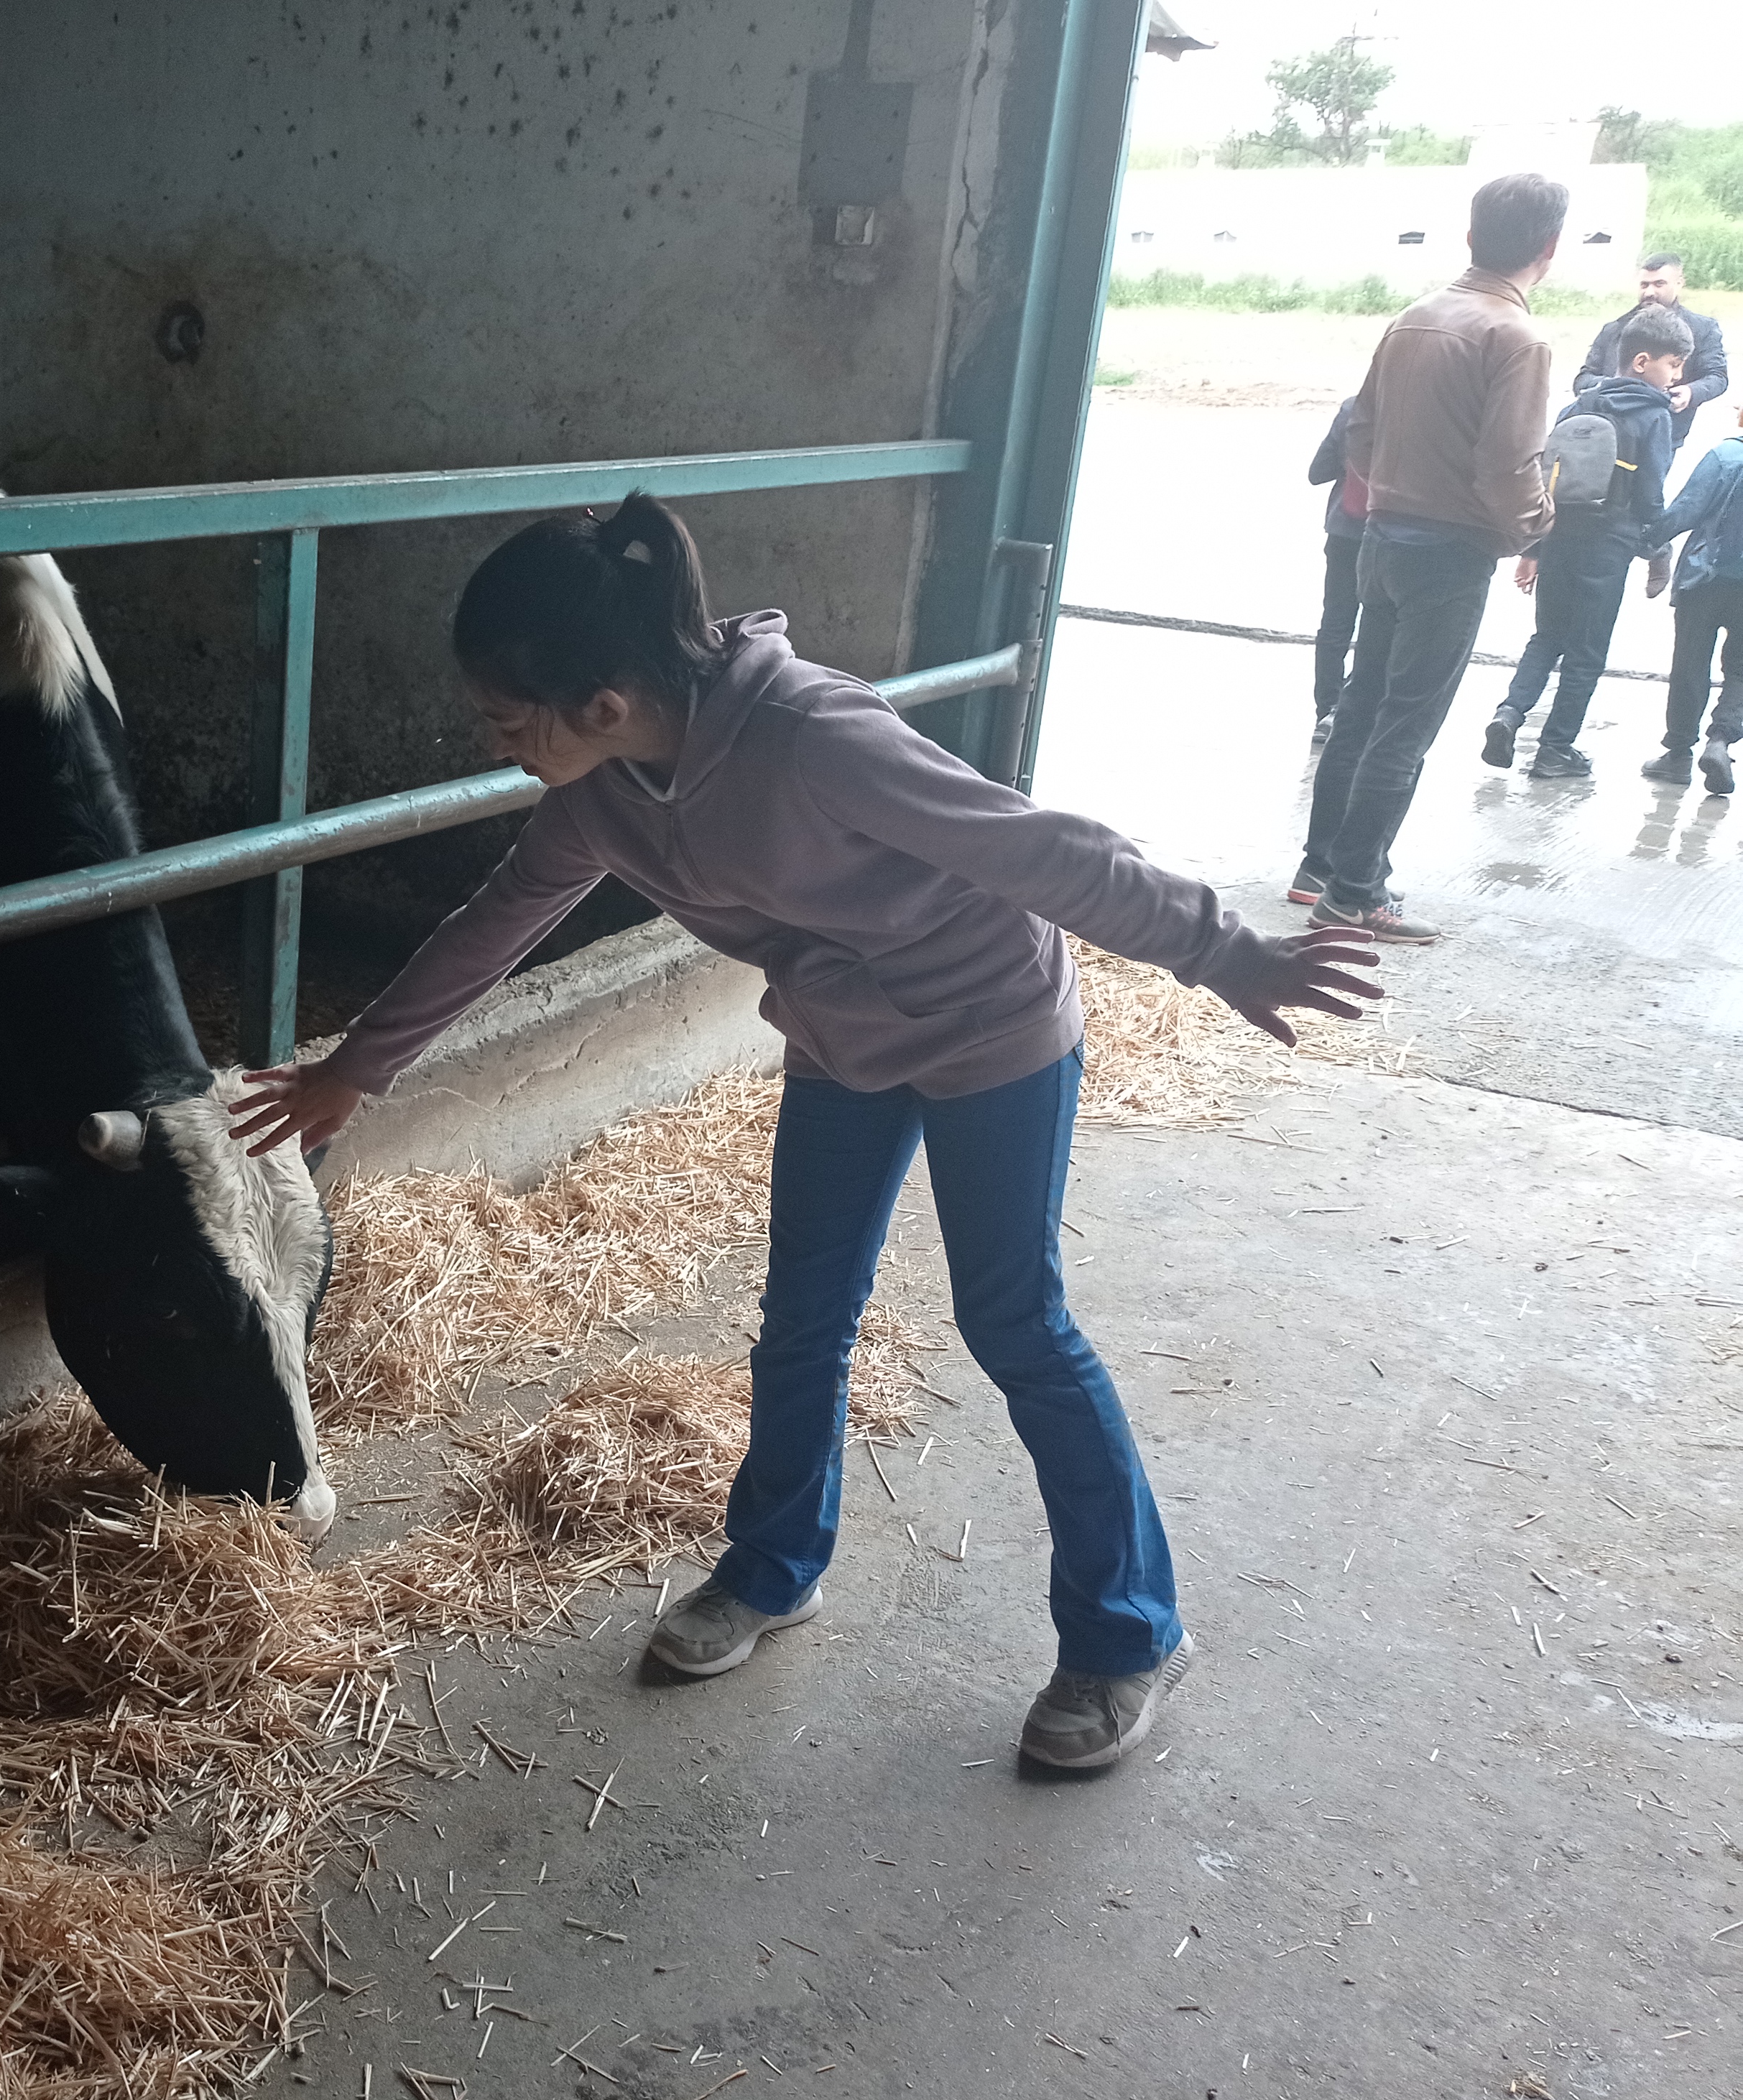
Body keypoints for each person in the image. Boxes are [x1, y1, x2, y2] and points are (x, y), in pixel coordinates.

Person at [231, 494, 1383, 1772]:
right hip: (844, 1040)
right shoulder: (604, 794)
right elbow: (495, 921)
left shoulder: (811, 737)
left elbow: (1033, 847)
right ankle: (774, 1567)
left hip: (991, 1024)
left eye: (511, 721)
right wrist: (358, 1070)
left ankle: (1126, 1633)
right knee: (802, 1315)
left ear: (603, 702)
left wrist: (1222, 950)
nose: (498, 745)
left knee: (1017, 1323)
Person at [1291, 172, 1567, 945]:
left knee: (1360, 708)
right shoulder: (1517, 338)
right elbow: (1510, 464)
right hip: (1449, 554)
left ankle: (1321, 866)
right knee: (1404, 727)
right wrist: (1533, 528)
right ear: (1549, 249)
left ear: (1472, 237)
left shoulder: (1414, 317)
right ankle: (1354, 895)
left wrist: (1390, 494)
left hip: (1379, 539)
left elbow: (1361, 429)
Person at [1487, 305, 1691, 778]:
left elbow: (1545, 479)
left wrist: (1533, 549)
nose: (1676, 375)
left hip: (1559, 538)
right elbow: (1651, 493)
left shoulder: (1578, 406)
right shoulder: (1653, 418)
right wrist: (1656, 548)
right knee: (1586, 652)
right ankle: (1555, 749)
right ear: (1642, 362)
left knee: (1546, 637)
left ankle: (1510, 713)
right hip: (1608, 548)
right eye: (1673, 364)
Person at [1639, 418, 1743, 793]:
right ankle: (1721, 741)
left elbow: (1687, 509)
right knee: (1741, 672)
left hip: (1705, 579)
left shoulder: (1726, 454)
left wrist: (1647, 540)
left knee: (1689, 664)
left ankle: (1679, 754)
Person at [1576, 254, 1728, 455]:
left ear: (1679, 283)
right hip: (1606, 432)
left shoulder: (1702, 329)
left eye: (1659, 284)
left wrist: (1691, 392)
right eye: (1644, 285)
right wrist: (1615, 389)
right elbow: (1583, 379)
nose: (1650, 292)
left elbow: (1717, 376)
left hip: (1663, 436)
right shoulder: (1615, 329)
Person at [1306, 394, 1367, 749]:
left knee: (1335, 626)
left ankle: (1326, 710)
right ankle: (1356, 710)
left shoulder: (1354, 408)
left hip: (1345, 530)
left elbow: (1317, 473)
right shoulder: (1428, 408)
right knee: (1380, 628)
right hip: (1394, 534)